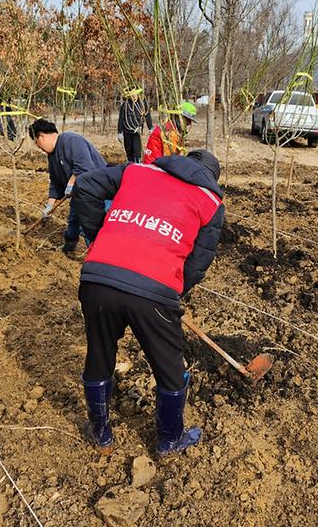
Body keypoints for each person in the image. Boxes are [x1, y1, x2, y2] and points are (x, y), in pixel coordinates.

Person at [73, 149, 225, 455]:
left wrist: (97, 236)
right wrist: (174, 292)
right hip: (156, 289)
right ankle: (170, 440)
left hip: (98, 277)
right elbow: (197, 264)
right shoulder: (210, 202)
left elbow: (86, 185)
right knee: (169, 367)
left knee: (100, 353)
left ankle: (101, 434)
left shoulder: (138, 171)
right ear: (211, 178)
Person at [28, 118, 107, 253]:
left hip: (98, 190)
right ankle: (69, 248)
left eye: (37, 143)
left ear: (41, 136)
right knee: (73, 222)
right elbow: (55, 182)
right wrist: (49, 205)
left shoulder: (70, 140)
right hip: (80, 193)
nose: (40, 149)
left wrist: (71, 183)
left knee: (89, 224)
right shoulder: (52, 155)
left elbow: (84, 167)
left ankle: (96, 255)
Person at [117, 87, 153, 163]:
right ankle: (130, 165)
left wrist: (150, 128)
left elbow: (147, 115)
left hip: (137, 131)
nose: (133, 96)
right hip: (126, 131)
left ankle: (137, 165)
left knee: (137, 151)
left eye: (135, 94)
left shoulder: (142, 104)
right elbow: (121, 118)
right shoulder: (125, 105)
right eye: (132, 95)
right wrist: (119, 132)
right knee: (129, 150)